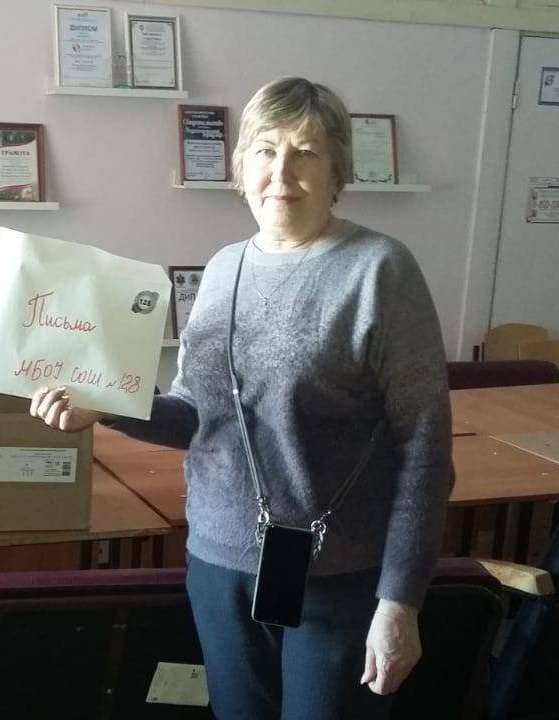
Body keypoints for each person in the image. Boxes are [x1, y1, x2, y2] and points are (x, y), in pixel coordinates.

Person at [30, 77, 453, 719]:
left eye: (305, 152)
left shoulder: (379, 270)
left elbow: (425, 451)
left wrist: (400, 601)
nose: (281, 172)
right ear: (241, 166)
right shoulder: (224, 267)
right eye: (265, 150)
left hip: (337, 576)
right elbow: (197, 416)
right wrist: (106, 406)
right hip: (219, 563)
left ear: (337, 168)